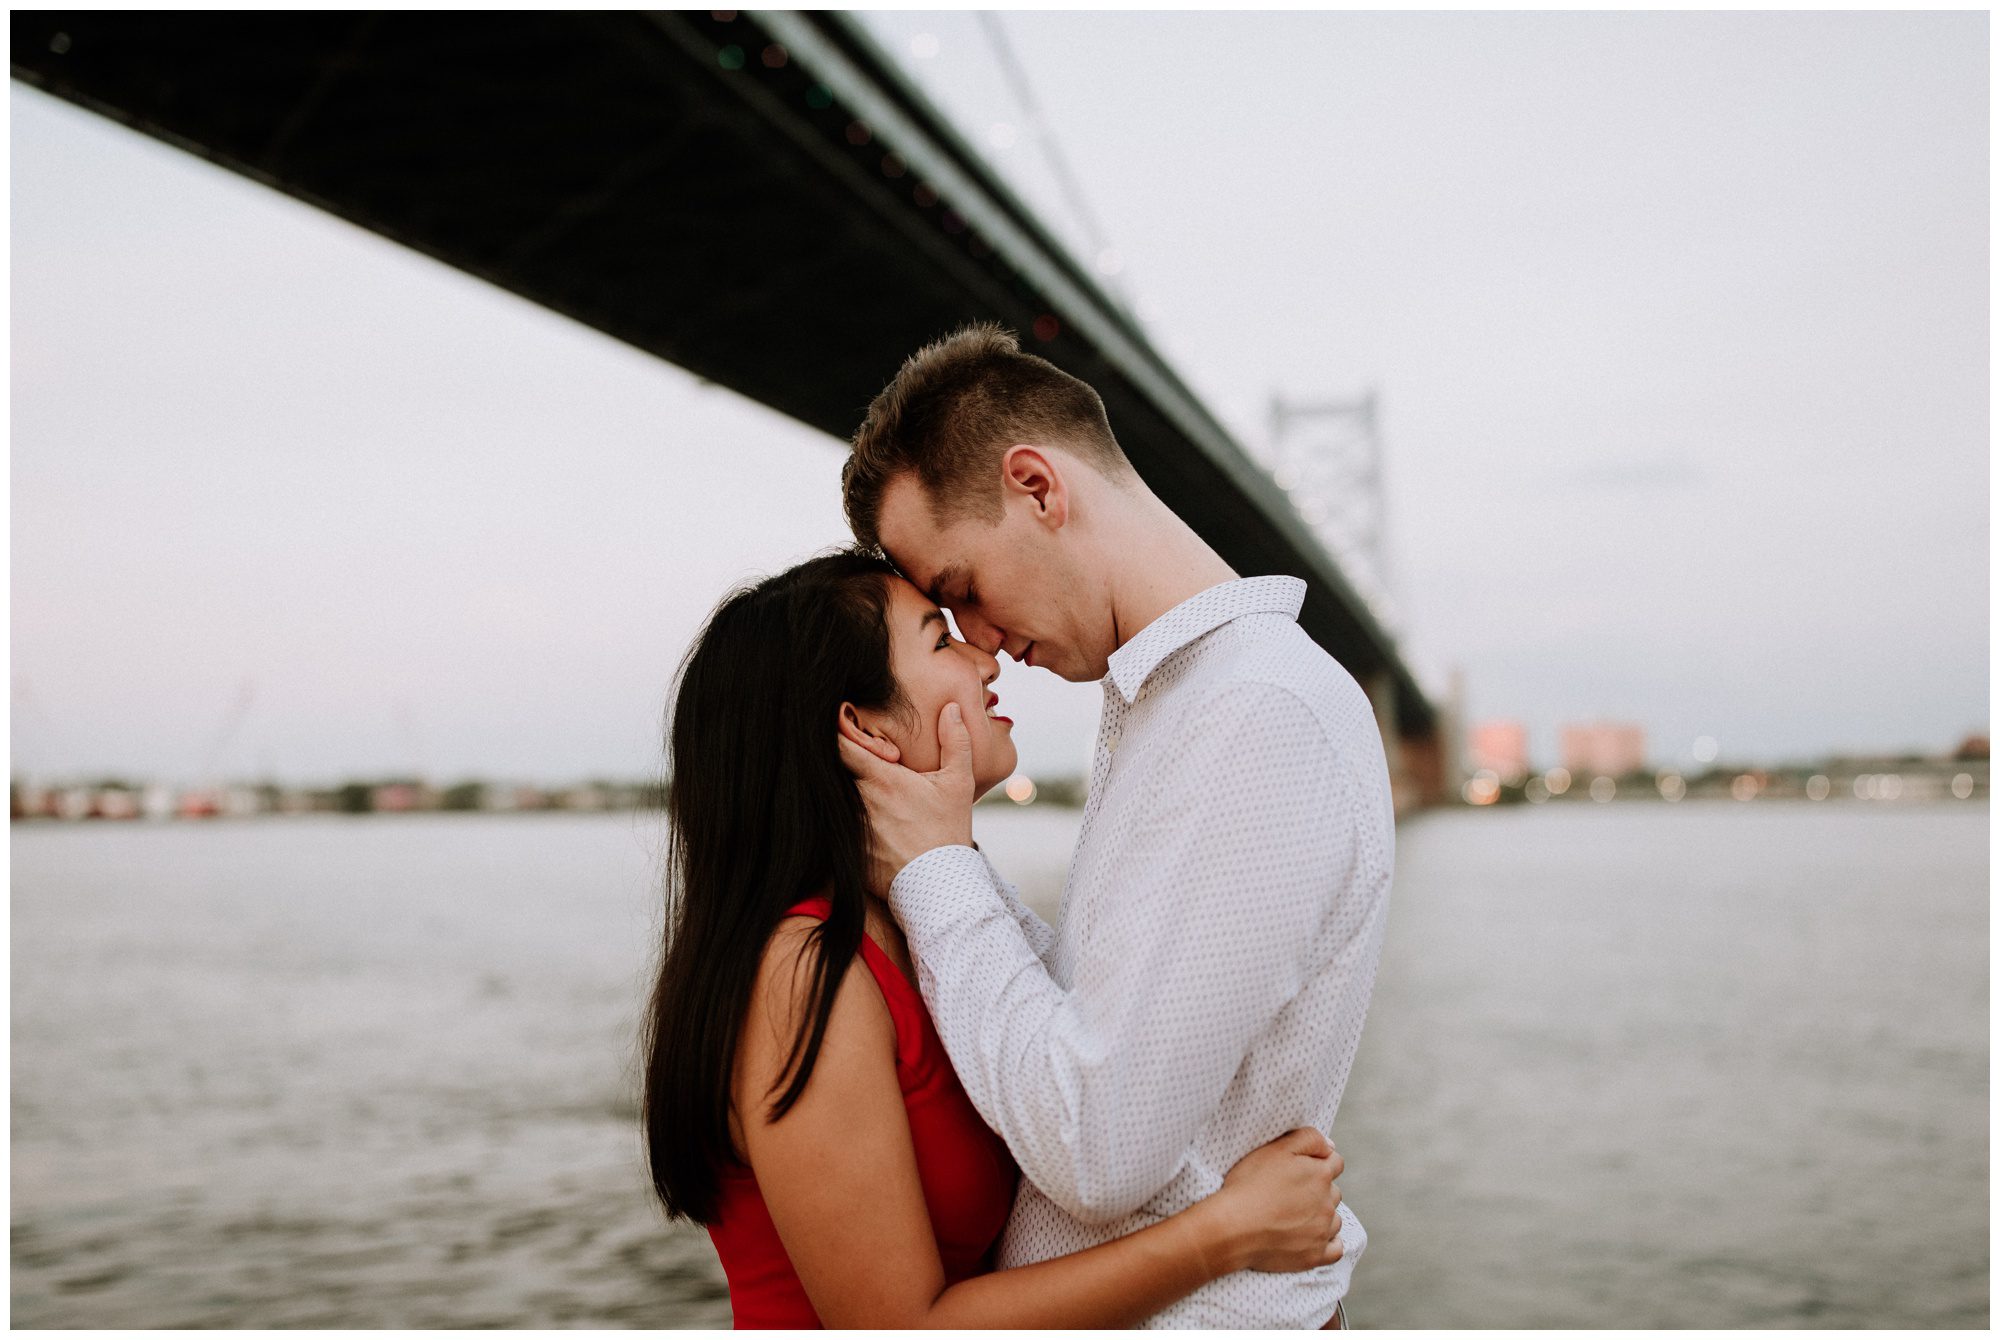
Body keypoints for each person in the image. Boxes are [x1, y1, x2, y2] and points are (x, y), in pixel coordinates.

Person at [836, 324, 1397, 1328]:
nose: (980, 642)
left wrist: (932, 866)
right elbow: (1093, 1014)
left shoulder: (1254, 713)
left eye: (961, 590)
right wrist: (945, 855)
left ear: (1037, 487)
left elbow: (1096, 1145)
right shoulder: (1182, 701)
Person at [640, 550, 1349, 1329]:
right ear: (863, 727)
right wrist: (1227, 1233)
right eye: (941, 642)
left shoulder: (921, 921)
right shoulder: (805, 970)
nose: (985, 659)